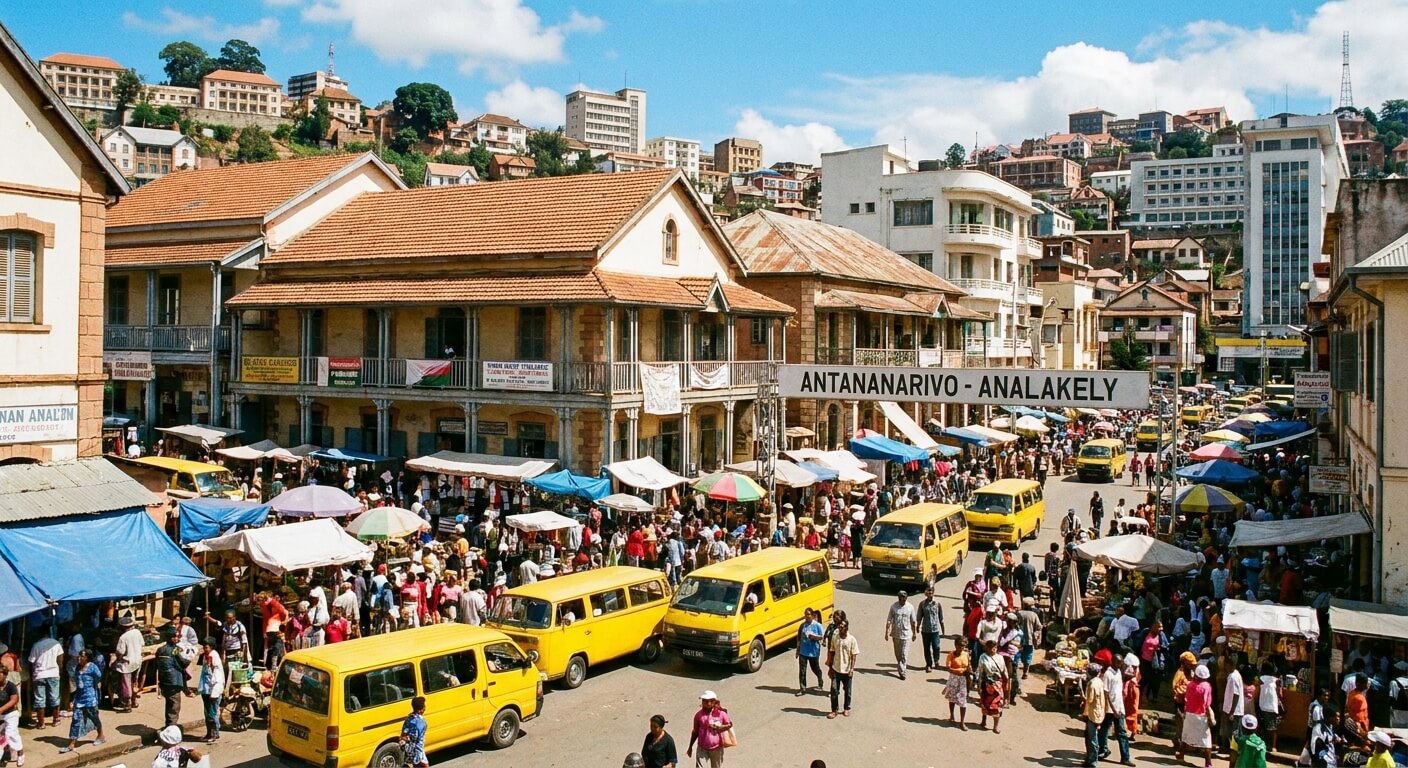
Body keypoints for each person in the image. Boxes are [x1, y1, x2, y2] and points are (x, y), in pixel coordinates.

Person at [58, 649, 104, 754]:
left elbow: (98, 678)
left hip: (90, 697)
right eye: (79, 656)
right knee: (76, 719)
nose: (79, 658)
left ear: (87, 658)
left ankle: (101, 735)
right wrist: (73, 699)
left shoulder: (93, 667)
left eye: (82, 656)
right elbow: (77, 684)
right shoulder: (78, 668)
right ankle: (72, 743)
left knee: (94, 716)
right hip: (79, 697)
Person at [1177, 664, 1215, 767]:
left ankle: (1181, 754)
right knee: (1206, 739)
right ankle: (1208, 763)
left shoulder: (1190, 684)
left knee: (1186, 735)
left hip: (1189, 713)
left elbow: (1187, 699)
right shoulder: (1206, 686)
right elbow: (1207, 703)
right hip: (1201, 715)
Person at [154, 625, 191, 728]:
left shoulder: (160, 650)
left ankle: (169, 725)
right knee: (174, 706)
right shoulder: (175, 650)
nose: (177, 638)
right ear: (171, 638)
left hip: (164, 681)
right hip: (174, 681)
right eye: (175, 636)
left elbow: (156, 664)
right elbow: (183, 663)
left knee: (169, 704)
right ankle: (171, 727)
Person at [1099, 653, 1132, 765]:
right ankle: (1103, 750)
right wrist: (1113, 710)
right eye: (1119, 662)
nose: (1121, 664)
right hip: (1111, 709)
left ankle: (1125, 757)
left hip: (1119, 707)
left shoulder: (1118, 672)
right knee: (1104, 730)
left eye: (1121, 662)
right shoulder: (1108, 674)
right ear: (1113, 662)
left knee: (1122, 733)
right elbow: (1106, 693)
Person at [26, 626, 62, 729]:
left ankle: (41, 723)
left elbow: (31, 662)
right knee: (55, 698)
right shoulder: (56, 643)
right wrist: (60, 671)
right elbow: (60, 660)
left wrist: (32, 675)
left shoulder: (36, 645)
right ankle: (55, 720)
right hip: (53, 673)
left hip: (39, 674)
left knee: (40, 699)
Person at [687, 691, 731, 767]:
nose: (707, 703)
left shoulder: (721, 714)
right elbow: (695, 732)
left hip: (717, 748)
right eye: (704, 701)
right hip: (702, 748)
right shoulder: (698, 715)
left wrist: (720, 727)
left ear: (714, 702)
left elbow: (729, 724)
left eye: (710, 701)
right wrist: (690, 746)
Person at [826, 620, 859, 719]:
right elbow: (832, 652)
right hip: (836, 668)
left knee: (847, 691)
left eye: (842, 627)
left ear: (846, 628)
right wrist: (830, 667)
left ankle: (846, 708)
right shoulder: (835, 638)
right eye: (839, 627)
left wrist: (851, 669)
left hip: (847, 670)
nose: (840, 629)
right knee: (834, 690)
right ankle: (834, 710)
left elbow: (853, 656)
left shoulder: (852, 639)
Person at [113, 614, 145, 711]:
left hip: (127, 664)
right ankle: (134, 701)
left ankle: (127, 704)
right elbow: (142, 644)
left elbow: (120, 652)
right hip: (137, 661)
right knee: (134, 682)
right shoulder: (138, 632)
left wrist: (117, 658)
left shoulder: (123, 637)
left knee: (126, 684)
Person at [196, 637, 224, 743]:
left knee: (212, 713)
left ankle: (215, 734)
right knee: (207, 713)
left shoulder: (214, 658)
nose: (204, 649)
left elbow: (218, 676)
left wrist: (215, 692)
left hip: (213, 691)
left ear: (211, 647)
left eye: (206, 647)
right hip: (206, 690)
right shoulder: (206, 657)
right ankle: (209, 734)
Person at [884, 591, 918, 680]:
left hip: (906, 634)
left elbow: (913, 621)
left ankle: (902, 671)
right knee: (898, 653)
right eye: (900, 598)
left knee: (904, 653)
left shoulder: (910, 607)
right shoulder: (893, 607)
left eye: (903, 598)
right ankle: (900, 665)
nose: (901, 600)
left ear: (906, 598)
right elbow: (889, 620)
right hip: (896, 634)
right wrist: (886, 632)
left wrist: (914, 633)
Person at [976, 639, 1007, 733]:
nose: (993, 650)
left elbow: (1004, 671)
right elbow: (980, 672)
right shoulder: (983, 657)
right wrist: (979, 685)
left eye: (994, 648)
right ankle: (983, 720)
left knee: (997, 705)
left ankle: (995, 726)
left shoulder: (1000, 658)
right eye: (990, 648)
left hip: (997, 685)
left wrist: (1006, 684)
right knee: (984, 704)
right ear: (987, 648)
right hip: (986, 685)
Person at [1081, 664, 1107, 768]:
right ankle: (1090, 759)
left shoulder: (1091, 684)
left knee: (1092, 739)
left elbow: (1089, 701)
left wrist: (1084, 713)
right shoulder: (1099, 681)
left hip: (1092, 714)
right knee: (1092, 737)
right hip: (1099, 712)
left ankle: (1092, 761)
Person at [796, 608, 825, 694]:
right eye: (805, 614)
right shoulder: (802, 626)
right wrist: (798, 650)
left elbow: (821, 637)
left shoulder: (817, 625)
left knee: (815, 668)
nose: (807, 616)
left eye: (808, 614)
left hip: (813, 651)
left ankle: (820, 679)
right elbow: (799, 639)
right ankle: (802, 688)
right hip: (803, 651)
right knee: (802, 670)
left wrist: (813, 637)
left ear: (812, 615)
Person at [1256, 660, 1283, 753]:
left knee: (1262, 726)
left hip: (1262, 705)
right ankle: (1273, 746)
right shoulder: (1276, 680)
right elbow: (1280, 694)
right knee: (1273, 728)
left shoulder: (1261, 678)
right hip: (1272, 706)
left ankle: (1263, 744)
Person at [944, 637, 971, 729]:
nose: (961, 648)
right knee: (952, 698)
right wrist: (957, 671)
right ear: (955, 645)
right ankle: (952, 715)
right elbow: (948, 668)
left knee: (963, 701)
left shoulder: (966, 654)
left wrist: (968, 672)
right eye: (960, 646)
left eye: (963, 646)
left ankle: (962, 722)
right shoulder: (951, 655)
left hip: (963, 679)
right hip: (954, 679)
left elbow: (968, 666)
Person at [1220, 659, 1246, 755]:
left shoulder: (1233, 677)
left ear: (1230, 665)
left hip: (1234, 711)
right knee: (1232, 732)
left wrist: (1231, 712)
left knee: (1234, 733)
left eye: (1226, 665)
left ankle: (1236, 753)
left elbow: (1236, 694)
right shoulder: (1235, 674)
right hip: (1231, 709)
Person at [917, 588, 945, 673]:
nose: (930, 594)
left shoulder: (937, 604)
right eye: (928, 593)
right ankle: (928, 664)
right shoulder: (922, 604)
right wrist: (917, 626)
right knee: (927, 648)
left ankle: (936, 660)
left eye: (931, 593)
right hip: (925, 630)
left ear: (933, 593)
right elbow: (919, 616)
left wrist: (943, 629)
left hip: (935, 630)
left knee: (936, 646)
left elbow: (941, 617)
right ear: (926, 594)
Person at [0, 667, 23, 767]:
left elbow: (14, 700)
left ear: (5, 675)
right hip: (0, 716)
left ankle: (20, 752)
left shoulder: (11, 686)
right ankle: (5, 754)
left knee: (11, 734)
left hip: (10, 714)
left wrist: (1, 709)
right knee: (1, 738)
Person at [399, 696, 428, 768]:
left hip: (408, 751)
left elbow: (403, 734)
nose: (425, 707)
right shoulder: (420, 722)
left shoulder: (408, 718)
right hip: (417, 752)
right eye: (424, 706)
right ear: (420, 710)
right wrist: (418, 757)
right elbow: (415, 739)